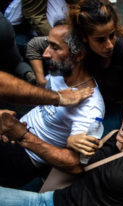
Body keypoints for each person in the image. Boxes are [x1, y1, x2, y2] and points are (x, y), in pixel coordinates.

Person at [0, 20, 104, 188]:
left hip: (26, 154)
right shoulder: (60, 72)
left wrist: (22, 136)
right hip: (16, 127)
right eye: (48, 45)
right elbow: (33, 47)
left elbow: (76, 165)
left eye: (55, 47)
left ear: (78, 54)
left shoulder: (91, 107)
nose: (46, 54)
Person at [29, 0, 123, 134]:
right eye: (100, 40)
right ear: (84, 38)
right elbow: (34, 46)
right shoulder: (77, 45)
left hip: (114, 108)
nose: (109, 45)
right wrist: (41, 81)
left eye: (112, 35)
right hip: (80, 100)